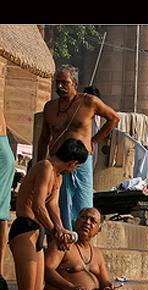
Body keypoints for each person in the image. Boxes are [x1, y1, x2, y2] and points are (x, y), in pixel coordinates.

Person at [10, 138, 89, 290]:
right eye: (77, 165)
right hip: (25, 229)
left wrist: (62, 231)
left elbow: (53, 208)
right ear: (73, 162)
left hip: (39, 232)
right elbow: (37, 205)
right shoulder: (45, 167)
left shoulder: (59, 176)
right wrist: (56, 231)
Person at [37, 66, 120, 230]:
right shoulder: (50, 108)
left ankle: (80, 246)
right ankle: (59, 240)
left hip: (80, 163)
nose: (59, 86)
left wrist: (94, 141)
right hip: (56, 164)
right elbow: (44, 139)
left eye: (64, 82)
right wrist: (39, 166)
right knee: (55, 204)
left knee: (83, 206)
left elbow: (114, 119)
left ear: (74, 83)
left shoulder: (89, 102)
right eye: (57, 82)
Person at [0, 102, 15, 290]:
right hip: (4, 155)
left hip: (2, 157)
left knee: (1, 215)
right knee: (1, 216)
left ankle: (0, 269)